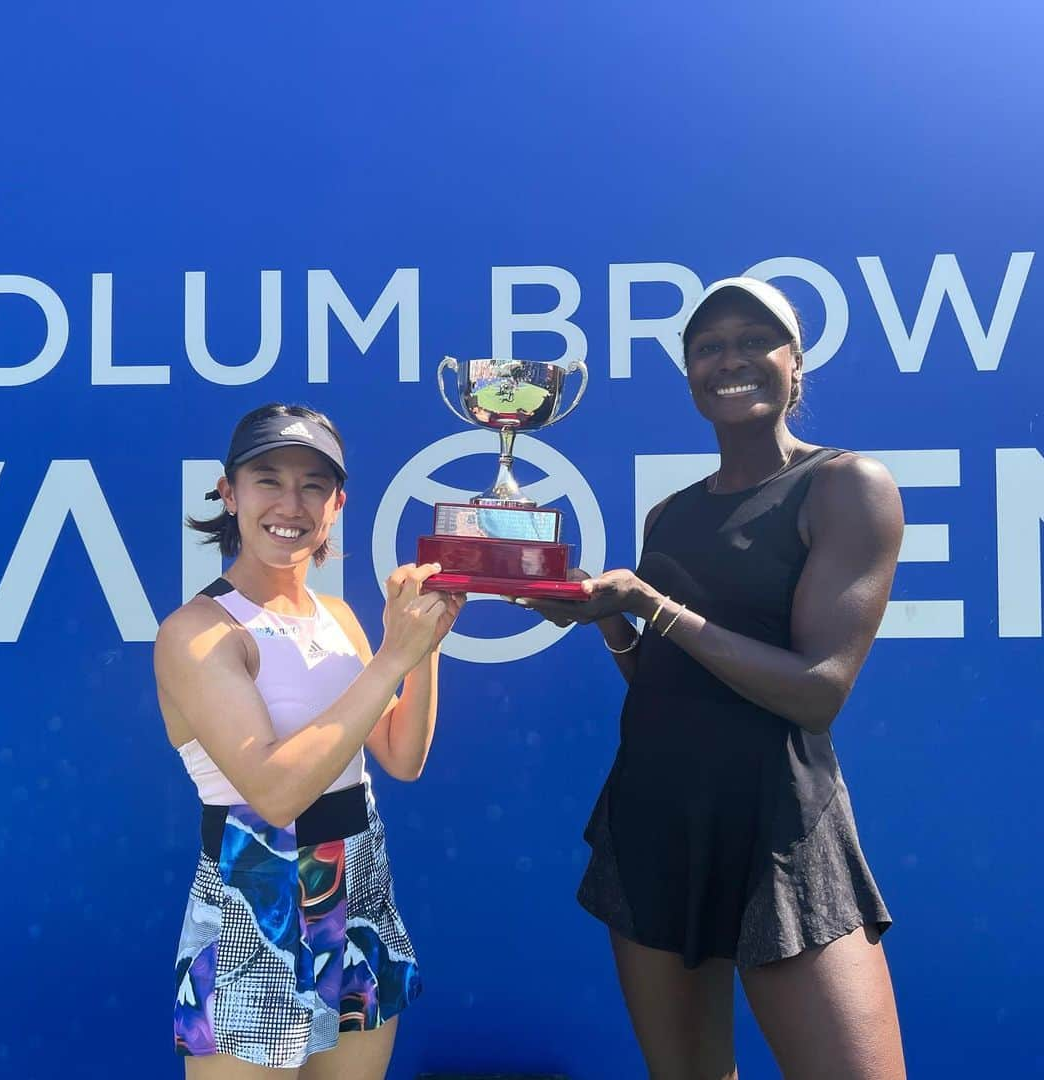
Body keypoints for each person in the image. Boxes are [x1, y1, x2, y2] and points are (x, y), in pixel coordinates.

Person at [522, 278, 907, 1079]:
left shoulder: (845, 486)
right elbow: (668, 687)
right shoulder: (670, 514)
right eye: (709, 346)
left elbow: (816, 689)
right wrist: (612, 622)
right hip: (655, 822)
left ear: (796, 364)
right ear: (690, 373)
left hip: (782, 829)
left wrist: (651, 604)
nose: (731, 359)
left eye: (754, 340)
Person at [154, 403, 464, 1079]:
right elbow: (273, 791)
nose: (290, 503)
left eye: (313, 485)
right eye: (268, 479)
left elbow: (401, 759)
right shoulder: (198, 631)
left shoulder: (342, 618)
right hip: (252, 886)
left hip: (358, 881)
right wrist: (391, 659)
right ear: (228, 493)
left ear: (337, 503)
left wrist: (425, 643)